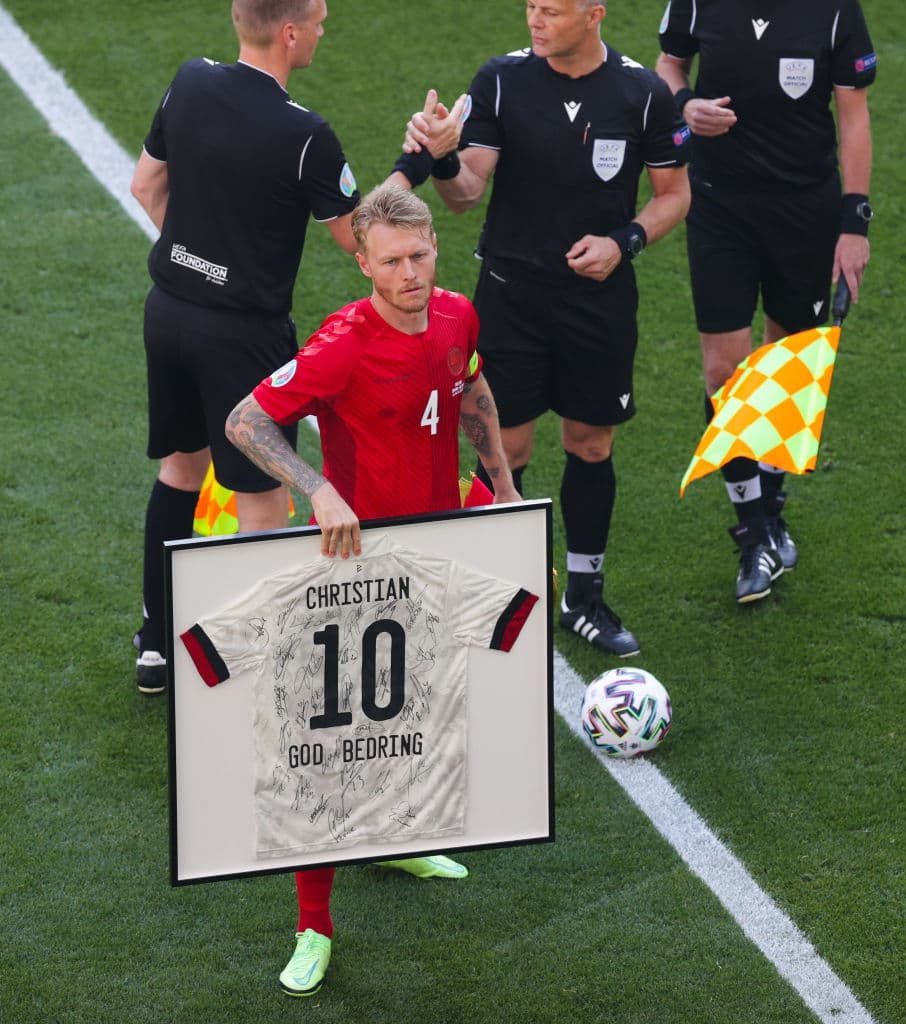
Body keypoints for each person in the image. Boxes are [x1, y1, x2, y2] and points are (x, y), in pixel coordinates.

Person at [225, 182, 521, 996]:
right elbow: (246, 421)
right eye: (390, 262)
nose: (410, 274)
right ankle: (313, 926)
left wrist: (502, 487)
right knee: (329, 752)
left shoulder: (458, 315)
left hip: (435, 550)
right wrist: (316, 487)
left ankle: (392, 837)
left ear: (436, 248)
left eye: (420, 256)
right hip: (352, 570)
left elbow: (469, 391)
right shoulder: (342, 343)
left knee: (415, 707)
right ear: (362, 262)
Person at [128, 0, 416, 694]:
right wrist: (417, 162)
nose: (322, 30)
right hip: (243, 337)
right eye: (317, 21)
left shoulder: (191, 79)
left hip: (168, 313)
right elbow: (360, 239)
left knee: (179, 469)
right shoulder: (306, 136)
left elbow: (145, 185)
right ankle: (249, 665)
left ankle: (156, 645)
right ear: (290, 33)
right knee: (261, 498)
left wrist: (201, 262)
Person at [399, 0, 690, 657]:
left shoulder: (642, 94)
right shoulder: (502, 80)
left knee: (591, 444)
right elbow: (468, 191)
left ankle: (583, 597)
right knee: (506, 449)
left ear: (594, 14)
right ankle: (498, 594)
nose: (535, 20)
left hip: (599, 305)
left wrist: (627, 240)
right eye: (531, 7)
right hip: (512, 300)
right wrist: (445, 159)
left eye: (551, 11)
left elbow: (675, 193)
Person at [655, 1, 876, 603]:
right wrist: (684, 105)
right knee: (724, 369)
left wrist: (853, 222)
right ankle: (752, 531)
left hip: (804, 208)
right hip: (719, 205)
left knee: (789, 363)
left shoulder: (833, 10)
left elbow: (853, 116)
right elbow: (669, 66)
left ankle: (772, 507)